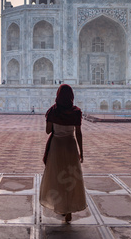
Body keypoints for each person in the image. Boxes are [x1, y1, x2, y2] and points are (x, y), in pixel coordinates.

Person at [39, 84, 87, 223]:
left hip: (56, 147)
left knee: (57, 178)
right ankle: (69, 211)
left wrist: (51, 121)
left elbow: (48, 131)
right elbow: (78, 133)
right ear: (71, 96)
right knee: (70, 179)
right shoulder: (76, 112)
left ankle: (61, 206)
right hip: (70, 146)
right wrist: (81, 151)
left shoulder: (53, 111)